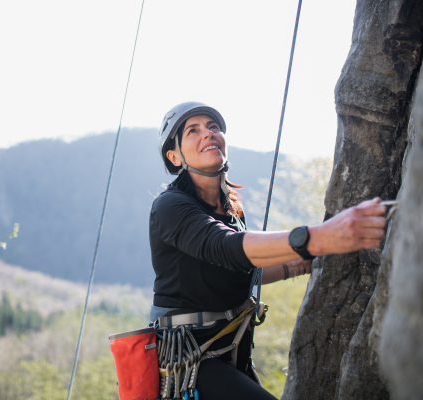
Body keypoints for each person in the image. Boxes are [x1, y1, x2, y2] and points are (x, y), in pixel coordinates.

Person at [150, 102, 387, 399]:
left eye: (213, 127)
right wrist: (318, 238)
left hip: (229, 347)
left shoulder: (231, 208)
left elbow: (243, 268)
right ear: (174, 156)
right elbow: (224, 247)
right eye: (193, 130)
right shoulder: (170, 206)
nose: (208, 134)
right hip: (188, 357)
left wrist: (304, 262)